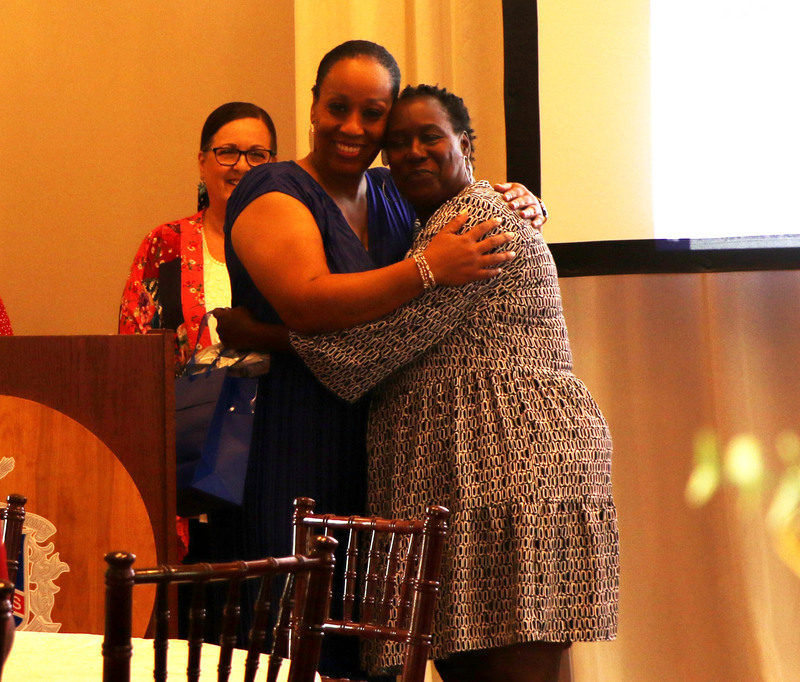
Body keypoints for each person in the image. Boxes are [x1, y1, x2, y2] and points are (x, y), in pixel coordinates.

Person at [220, 41, 546, 678]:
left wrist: (521, 198)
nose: (353, 127)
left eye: (373, 115)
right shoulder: (273, 188)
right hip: (295, 440)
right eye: (337, 107)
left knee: (373, 646)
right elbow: (308, 301)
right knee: (296, 636)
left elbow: (434, 291)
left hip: (383, 457)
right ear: (313, 106)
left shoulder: (393, 193)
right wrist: (428, 268)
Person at [291, 85, 619, 682]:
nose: (412, 152)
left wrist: (268, 327)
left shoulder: (476, 222)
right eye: (398, 142)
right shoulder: (434, 224)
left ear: (465, 144)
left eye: (429, 137)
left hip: (511, 467)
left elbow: (365, 352)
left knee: (513, 661)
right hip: (477, 469)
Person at [118, 101, 286, 371]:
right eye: (228, 152)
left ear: (273, 165)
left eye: (257, 155)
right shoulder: (164, 243)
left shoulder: (296, 243)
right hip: (182, 398)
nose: (242, 166)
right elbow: (131, 353)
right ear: (202, 163)